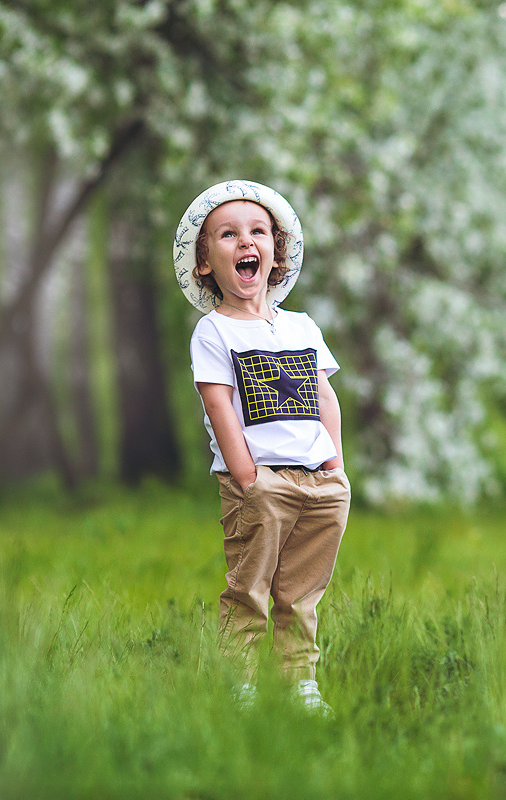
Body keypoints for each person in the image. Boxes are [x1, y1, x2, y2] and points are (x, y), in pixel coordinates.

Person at [174, 180, 350, 713]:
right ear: (206, 262)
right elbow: (219, 406)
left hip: (319, 480)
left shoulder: (302, 326)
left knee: (302, 593)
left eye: (258, 232)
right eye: (228, 234)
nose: (246, 241)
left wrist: (336, 468)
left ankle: (299, 684)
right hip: (259, 481)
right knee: (249, 587)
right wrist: (249, 479)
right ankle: (240, 685)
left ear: (276, 252)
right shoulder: (214, 332)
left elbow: (324, 396)